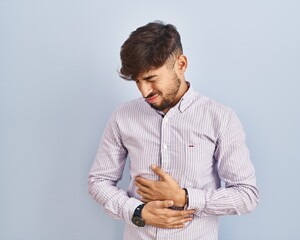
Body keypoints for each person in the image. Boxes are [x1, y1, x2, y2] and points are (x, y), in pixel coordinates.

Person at [88, 21, 259, 240]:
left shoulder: (220, 118)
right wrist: (137, 212)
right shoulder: (123, 117)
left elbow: (247, 195)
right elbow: (99, 181)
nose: (144, 91)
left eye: (151, 78)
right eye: (137, 81)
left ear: (181, 64)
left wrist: (184, 198)